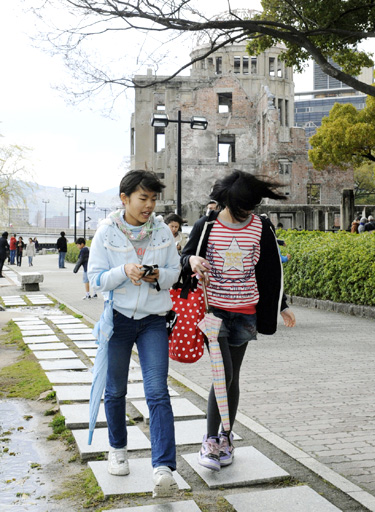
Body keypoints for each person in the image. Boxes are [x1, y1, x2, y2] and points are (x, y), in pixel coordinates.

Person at [181, 170, 295, 472]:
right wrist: (191, 260)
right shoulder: (207, 225)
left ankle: (226, 438)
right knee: (223, 374)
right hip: (213, 312)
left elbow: (270, 272)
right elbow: (185, 256)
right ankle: (209, 440)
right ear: (230, 202)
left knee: (233, 377)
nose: (251, 211)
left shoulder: (260, 227)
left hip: (246, 312)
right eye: (246, 206)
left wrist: (281, 306)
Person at [88, 170, 180, 497]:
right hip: (118, 319)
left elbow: (175, 272)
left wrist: (157, 275)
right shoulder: (106, 233)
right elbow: (95, 279)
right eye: (143, 198)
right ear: (124, 199)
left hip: (154, 319)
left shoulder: (162, 233)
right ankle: (118, 449)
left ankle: (164, 468)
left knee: (157, 391)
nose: (149, 205)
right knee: (115, 391)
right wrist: (123, 271)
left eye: (154, 199)